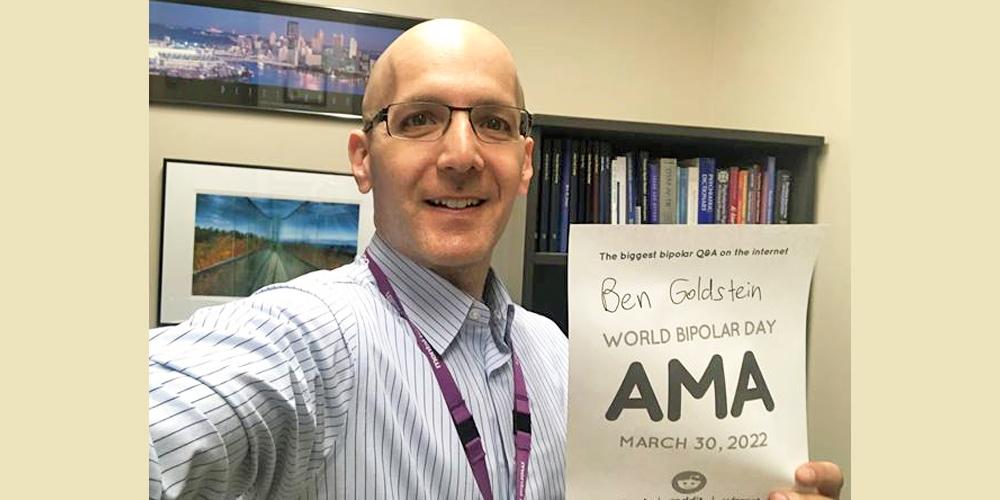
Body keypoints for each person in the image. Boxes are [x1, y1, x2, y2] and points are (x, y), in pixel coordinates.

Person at [149, 19, 843, 500]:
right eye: (418, 119)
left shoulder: (557, 353)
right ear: (363, 161)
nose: (460, 155)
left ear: (525, 163)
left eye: (494, 123)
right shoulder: (304, 340)